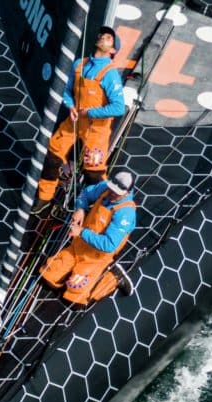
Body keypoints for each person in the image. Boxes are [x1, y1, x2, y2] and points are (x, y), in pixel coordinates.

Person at [35, 26, 126, 208]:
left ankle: (96, 206)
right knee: (53, 154)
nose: (102, 37)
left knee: (94, 172)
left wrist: (91, 112)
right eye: (102, 35)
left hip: (97, 129)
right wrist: (70, 105)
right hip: (74, 120)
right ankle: (44, 197)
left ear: (113, 50)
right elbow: (67, 91)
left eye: (108, 38)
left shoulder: (111, 75)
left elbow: (119, 108)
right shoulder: (79, 64)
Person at [40, 170, 136, 305]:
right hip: (78, 246)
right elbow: (85, 193)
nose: (112, 194)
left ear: (127, 192)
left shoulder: (125, 213)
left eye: (116, 192)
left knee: (74, 299)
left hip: (96, 257)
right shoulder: (105, 187)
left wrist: (81, 232)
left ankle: (112, 278)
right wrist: (80, 208)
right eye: (111, 189)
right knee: (48, 275)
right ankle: (71, 272)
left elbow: (109, 245)